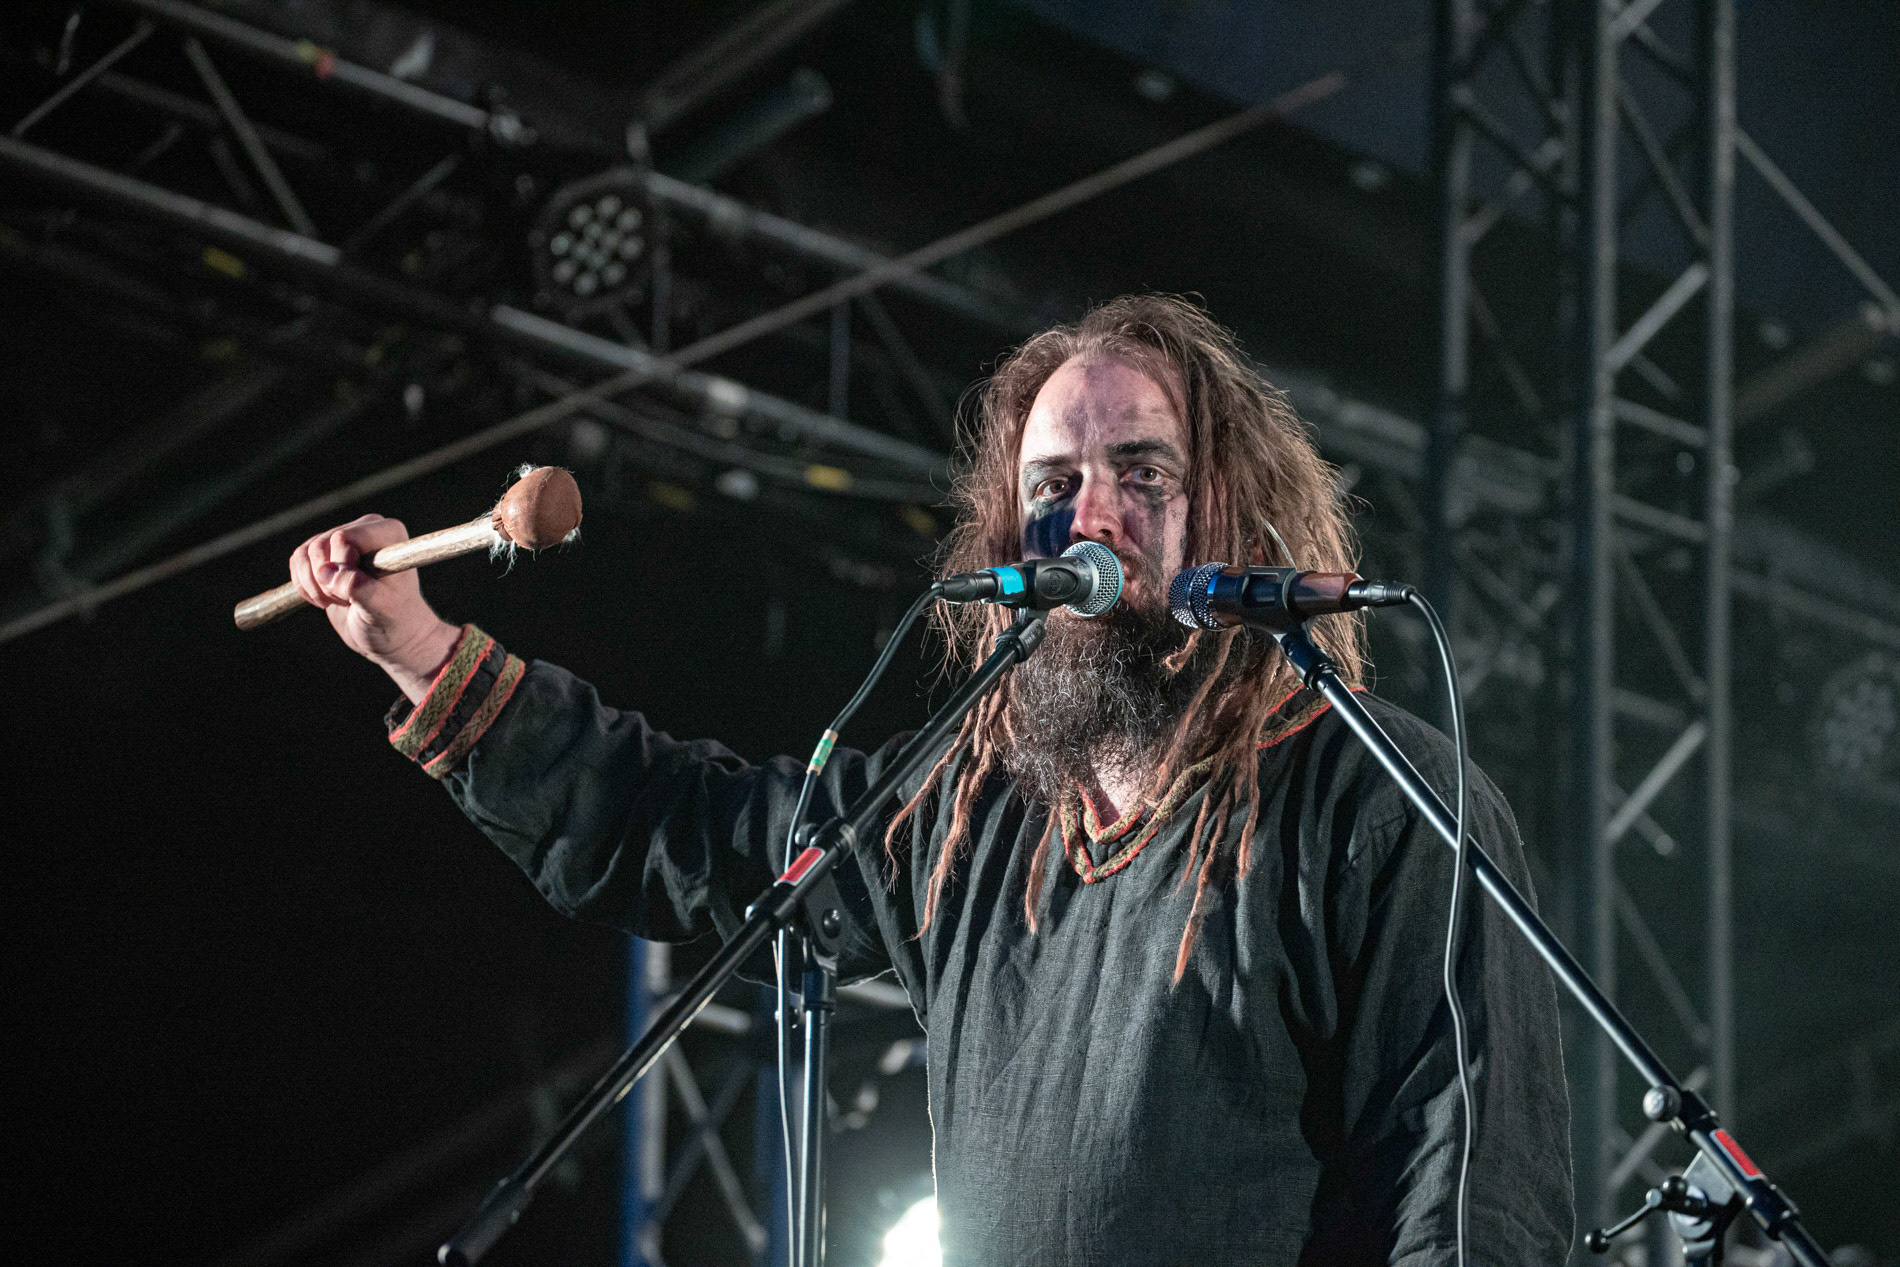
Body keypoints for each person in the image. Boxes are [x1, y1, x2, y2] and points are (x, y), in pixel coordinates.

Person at [290, 295, 1574, 1264]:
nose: (1095, 519)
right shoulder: (971, 808)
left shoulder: (1379, 801)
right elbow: (690, 836)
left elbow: (1469, 1201)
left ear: (1235, 516)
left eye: (1143, 473)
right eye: (1055, 487)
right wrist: (418, 645)